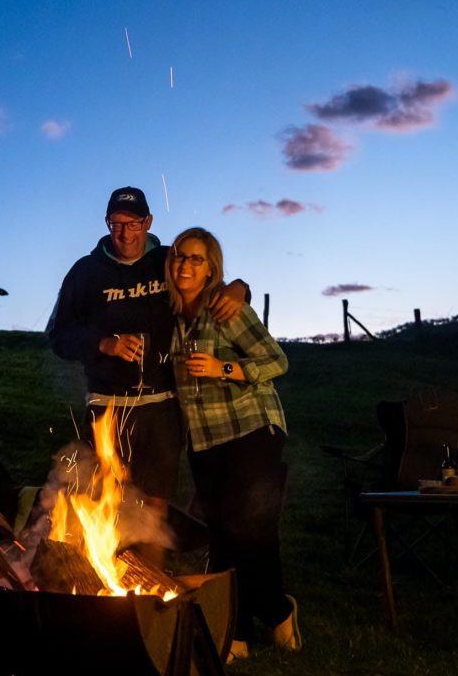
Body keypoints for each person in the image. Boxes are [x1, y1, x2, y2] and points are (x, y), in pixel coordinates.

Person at [47, 186, 247, 566]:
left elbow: (211, 287)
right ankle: (104, 580)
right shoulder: (85, 273)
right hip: (107, 406)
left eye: (133, 223)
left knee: (154, 506)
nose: (124, 233)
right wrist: (103, 343)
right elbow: (58, 336)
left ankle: (148, 586)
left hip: (161, 408)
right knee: (106, 501)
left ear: (149, 222)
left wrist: (240, 288)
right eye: (116, 224)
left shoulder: (167, 261)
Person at [166, 226, 298, 662]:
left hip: (251, 427)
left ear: (211, 270)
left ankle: (274, 611)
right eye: (181, 256)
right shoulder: (169, 317)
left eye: (197, 259)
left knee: (249, 527)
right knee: (222, 533)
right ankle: (237, 628)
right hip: (205, 440)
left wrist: (224, 368)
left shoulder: (226, 309)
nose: (186, 264)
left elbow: (277, 361)